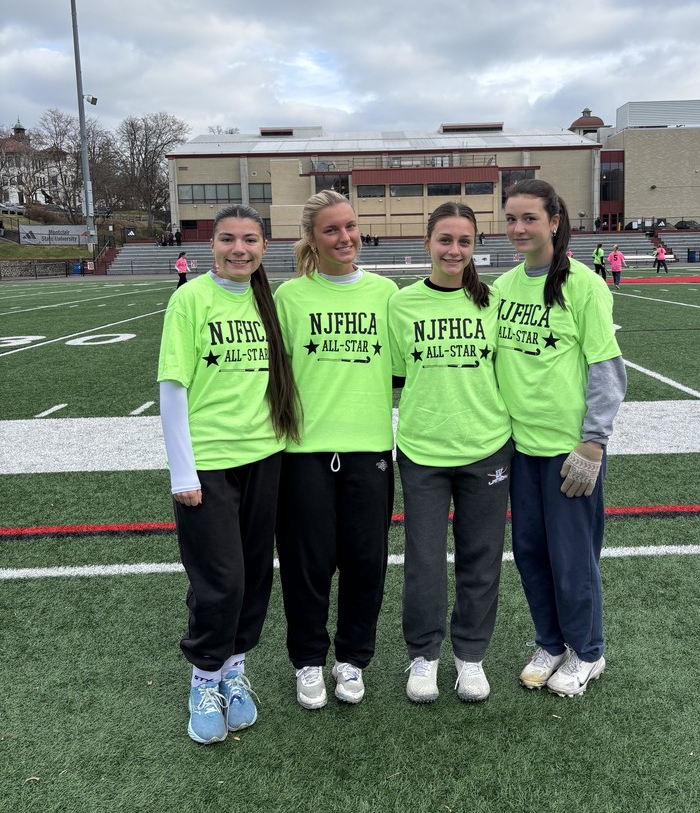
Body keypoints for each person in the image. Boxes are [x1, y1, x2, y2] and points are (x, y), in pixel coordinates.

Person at [157, 204, 300, 744]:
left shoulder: (269, 302)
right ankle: (204, 678)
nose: (239, 249)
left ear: (265, 247)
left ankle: (234, 673)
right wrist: (182, 472)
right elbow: (173, 389)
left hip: (265, 457)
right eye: (228, 240)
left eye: (250, 240)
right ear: (210, 246)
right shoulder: (190, 300)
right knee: (221, 581)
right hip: (210, 464)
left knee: (257, 576)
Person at [495, 179, 626, 698]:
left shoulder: (584, 284)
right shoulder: (503, 288)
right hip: (519, 449)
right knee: (529, 553)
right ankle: (550, 643)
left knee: (573, 556)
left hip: (570, 450)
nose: (518, 228)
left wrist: (593, 441)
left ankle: (587, 651)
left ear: (554, 220)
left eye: (529, 218)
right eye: (511, 219)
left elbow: (606, 367)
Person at [274, 190, 397, 709]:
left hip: (369, 449)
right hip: (303, 453)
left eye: (349, 226)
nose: (345, 237)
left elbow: (406, 369)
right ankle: (308, 662)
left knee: (366, 562)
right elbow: (272, 375)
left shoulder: (387, 293)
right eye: (331, 230)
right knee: (307, 565)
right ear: (312, 238)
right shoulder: (290, 296)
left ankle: (351, 660)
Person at [389, 202, 513, 704]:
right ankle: (424, 656)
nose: (454, 249)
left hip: (486, 445)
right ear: (427, 243)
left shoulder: (496, 302)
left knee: (481, 558)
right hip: (422, 450)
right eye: (445, 239)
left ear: (475, 245)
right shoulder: (402, 304)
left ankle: (470, 656)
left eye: (464, 240)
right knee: (423, 559)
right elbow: (398, 375)